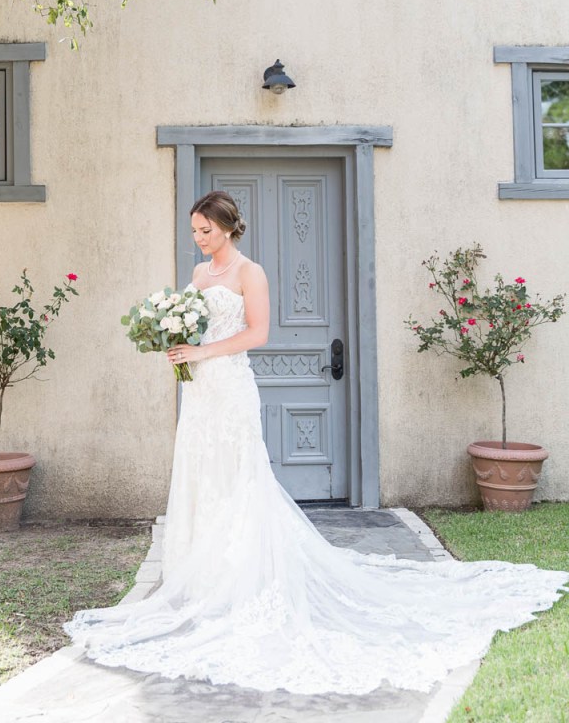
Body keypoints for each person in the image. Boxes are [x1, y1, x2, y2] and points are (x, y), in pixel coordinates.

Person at [65, 191, 568, 696]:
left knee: (239, 478)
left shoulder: (249, 272)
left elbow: (257, 334)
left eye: (205, 231)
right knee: (201, 474)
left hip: (232, 388)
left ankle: (244, 577)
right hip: (200, 394)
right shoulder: (197, 277)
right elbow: (190, 323)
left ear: (228, 229)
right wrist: (175, 348)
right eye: (194, 230)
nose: (198, 239)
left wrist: (203, 349)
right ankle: (201, 578)